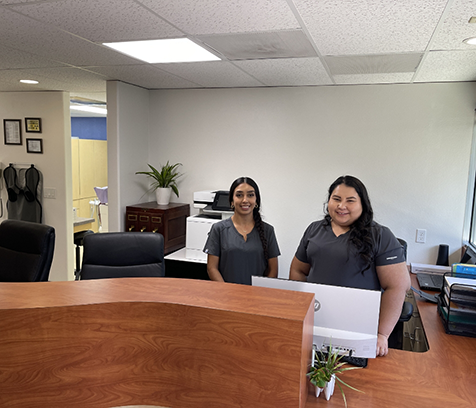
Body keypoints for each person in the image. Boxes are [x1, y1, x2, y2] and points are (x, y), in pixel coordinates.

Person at [289, 175, 410, 357]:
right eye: (336, 199)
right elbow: (298, 270)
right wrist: (300, 309)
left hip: (358, 329)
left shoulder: (381, 235)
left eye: (350, 201)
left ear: (363, 204)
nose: (341, 206)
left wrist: (382, 334)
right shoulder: (314, 230)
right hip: (317, 322)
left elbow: (398, 285)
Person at [204, 177, 280, 285]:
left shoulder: (268, 231)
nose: (245, 200)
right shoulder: (219, 229)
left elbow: (273, 270)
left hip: (258, 296)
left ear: (256, 200)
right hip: (226, 296)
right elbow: (212, 268)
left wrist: (261, 292)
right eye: (239, 195)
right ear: (232, 201)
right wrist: (226, 291)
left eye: (250, 195)